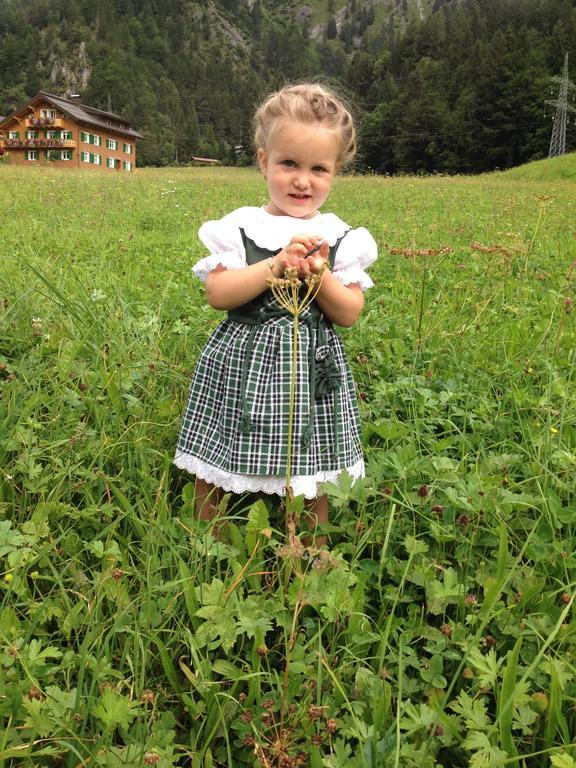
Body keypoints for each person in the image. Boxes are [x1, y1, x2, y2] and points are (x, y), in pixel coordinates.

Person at [174, 83, 377, 538]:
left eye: (318, 168)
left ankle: (309, 546)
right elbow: (219, 294)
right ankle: (209, 535)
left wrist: (319, 275)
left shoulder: (340, 235)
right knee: (220, 444)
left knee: (313, 460)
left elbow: (348, 313)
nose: (302, 180)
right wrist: (276, 264)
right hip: (243, 358)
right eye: (288, 164)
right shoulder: (241, 226)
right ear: (264, 160)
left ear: (335, 171)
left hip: (310, 365)